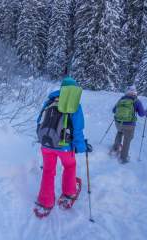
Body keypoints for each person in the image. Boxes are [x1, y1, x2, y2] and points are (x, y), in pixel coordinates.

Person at [34, 76, 92, 218]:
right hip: (64, 146)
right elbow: (78, 129)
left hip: (46, 144)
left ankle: (45, 201)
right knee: (70, 166)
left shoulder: (50, 101)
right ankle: (68, 192)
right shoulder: (74, 104)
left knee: (48, 170)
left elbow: (39, 121)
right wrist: (81, 146)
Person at [111, 85, 147, 163]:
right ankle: (123, 158)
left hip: (118, 123)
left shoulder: (121, 99)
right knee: (127, 140)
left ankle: (115, 148)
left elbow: (114, 110)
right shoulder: (136, 101)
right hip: (129, 125)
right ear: (135, 93)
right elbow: (142, 114)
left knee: (119, 133)